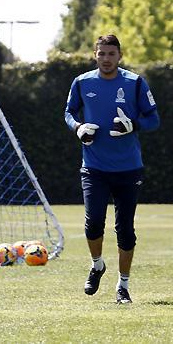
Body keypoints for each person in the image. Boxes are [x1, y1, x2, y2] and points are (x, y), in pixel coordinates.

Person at [65, 34, 159, 304]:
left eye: (111, 54)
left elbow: (154, 119)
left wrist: (133, 124)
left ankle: (123, 286)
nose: (106, 59)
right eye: (101, 53)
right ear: (95, 55)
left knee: (125, 229)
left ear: (120, 56)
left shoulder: (135, 82)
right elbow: (69, 113)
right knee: (94, 222)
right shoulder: (82, 82)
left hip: (129, 169)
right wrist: (78, 128)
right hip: (94, 167)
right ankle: (97, 265)